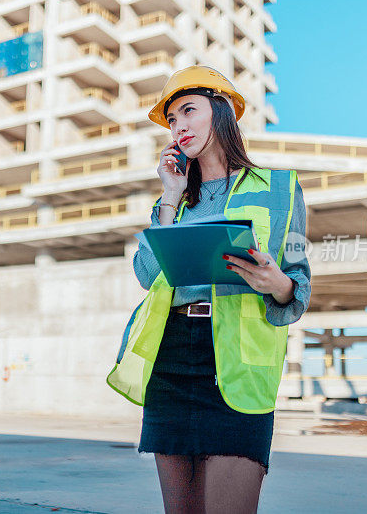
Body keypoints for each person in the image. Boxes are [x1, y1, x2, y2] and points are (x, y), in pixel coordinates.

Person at [106, 66, 311, 513]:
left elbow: (298, 283)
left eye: (188, 111)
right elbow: (146, 274)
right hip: (174, 357)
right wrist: (170, 196)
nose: (179, 127)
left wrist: (276, 283)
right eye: (172, 119)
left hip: (237, 361)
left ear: (221, 112)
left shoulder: (281, 189)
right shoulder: (174, 201)